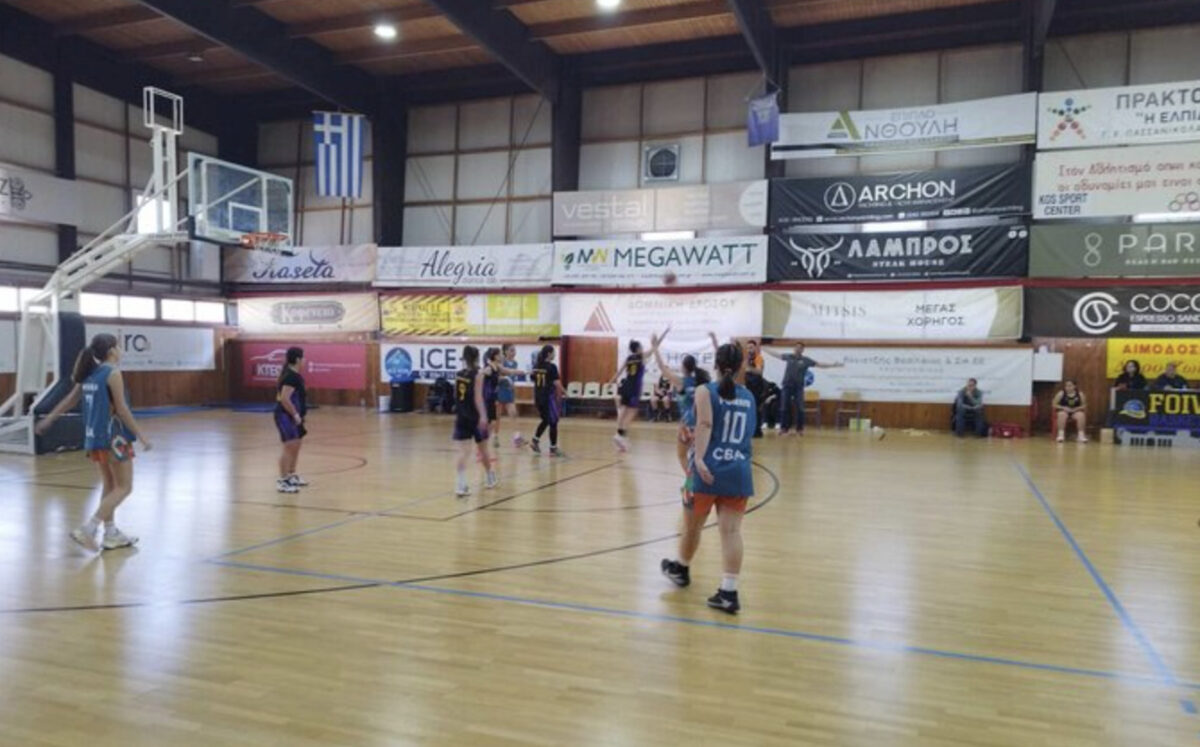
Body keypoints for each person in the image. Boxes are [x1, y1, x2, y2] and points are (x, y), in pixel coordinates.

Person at [660, 342, 755, 614]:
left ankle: (681, 568)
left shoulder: (706, 391)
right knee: (732, 532)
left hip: (703, 472)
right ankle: (729, 591)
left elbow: (700, 425)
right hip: (739, 471)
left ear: (715, 364)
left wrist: (698, 457)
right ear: (741, 366)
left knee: (691, 526)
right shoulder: (749, 397)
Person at [35, 333, 153, 551]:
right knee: (125, 487)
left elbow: (69, 401)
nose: (121, 350)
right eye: (119, 346)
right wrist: (142, 436)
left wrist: (49, 419)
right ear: (112, 350)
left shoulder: (89, 374)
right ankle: (88, 528)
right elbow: (122, 410)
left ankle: (111, 533)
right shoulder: (112, 373)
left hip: (93, 438)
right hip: (114, 438)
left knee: (110, 485)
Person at [652, 344, 712, 477]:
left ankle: (691, 480)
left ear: (684, 367)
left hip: (687, 425)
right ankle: (700, 480)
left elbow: (662, 368)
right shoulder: (702, 381)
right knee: (699, 456)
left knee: (682, 455)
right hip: (702, 424)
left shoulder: (681, 382)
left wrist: (655, 347)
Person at [763, 342, 843, 436]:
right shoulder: (789, 357)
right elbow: (777, 355)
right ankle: (784, 429)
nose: (798, 349)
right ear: (794, 349)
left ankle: (799, 429)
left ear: (802, 350)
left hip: (798, 388)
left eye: (800, 348)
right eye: (796, 347)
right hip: (787, 386)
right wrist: (765, 349)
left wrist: (833, 365)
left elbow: (819, 364)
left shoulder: (806, 360)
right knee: (784, 407)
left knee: (800, 408)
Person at [610, 328, 669, 452]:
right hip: (634, 387)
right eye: (641, 347)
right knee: (632, 412)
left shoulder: (628, 358)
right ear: (637, 349)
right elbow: (655, 346)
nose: (642, 348)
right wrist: (664, 333)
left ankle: (619, 434)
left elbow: (619, 372)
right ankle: (621, 435)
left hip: (625, 385)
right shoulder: (641, 356)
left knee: (623, 411)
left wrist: (610, 381)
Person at [453, 345, 495, 496]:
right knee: (483, 449)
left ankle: (461, 485)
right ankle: (489, 476)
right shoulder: (478, 375)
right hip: (475, 417)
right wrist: (483, 416)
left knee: (463, 452)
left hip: (461, 416)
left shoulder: (459, 374)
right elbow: (478, 398)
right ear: (477, 357)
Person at [274, 347, 309, 494]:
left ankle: (291, 475)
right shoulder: (290, 377)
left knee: (297, 444)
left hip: (295, 416)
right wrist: (295, 415)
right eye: (303, 358)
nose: (305, 360)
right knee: (289, 446)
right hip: (285, 416)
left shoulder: (295, 375)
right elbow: (285, 399)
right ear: (298, 359)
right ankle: (282, 481)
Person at [530, 344, 566, 457]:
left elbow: (533, 378)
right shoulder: (552, 367)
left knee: (546, 420)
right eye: (553, 352)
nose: (554, 354)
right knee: (553, 421)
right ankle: (553, 449)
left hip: (538, 397)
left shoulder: (536, 366)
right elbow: (556, 382)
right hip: (548, 398)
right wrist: (565, 392)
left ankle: (535, 441)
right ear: (549, 354)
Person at [494, 343, 527, 447]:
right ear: (505, 352)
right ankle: (495, 437)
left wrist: (512, 386)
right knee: (497, 416)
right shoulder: (501, 362)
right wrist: (506, 378)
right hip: (499, 390)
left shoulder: (515, 363)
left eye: (514, 350)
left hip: (508, 391)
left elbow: (512, 378)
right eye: (511, 350)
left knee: (513, 413)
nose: (514, 352)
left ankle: (517, 438)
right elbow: (497, 378)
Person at [1053, 379, 1088, 443]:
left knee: (1081, 415)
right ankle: (1061, 435)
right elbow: (1054, 404)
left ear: (1074, 386)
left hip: (1075, 411)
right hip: (1064, 411)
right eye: (1066, 386)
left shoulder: (1080, 394)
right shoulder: (1061, 393)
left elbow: (1084, 405)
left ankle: (1081, 436)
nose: (1068, 387)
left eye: (1070, 386)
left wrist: (1076, 409)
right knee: (1061, 414)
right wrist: (1063, 408)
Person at [743, 340, 766, 437]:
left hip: (757, 387)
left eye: (751, 347)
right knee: (749, 408)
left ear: (755, 348)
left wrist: (749, 368)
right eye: (748, 348)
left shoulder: (758, 358)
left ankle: (757, 431)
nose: (749, 349)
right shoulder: (747, 359)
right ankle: (750, 429)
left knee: (756, 409)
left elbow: (759, 371)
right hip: (749, 387)